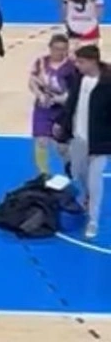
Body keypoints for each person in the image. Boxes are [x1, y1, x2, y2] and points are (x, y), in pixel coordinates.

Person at [56, 44, 111, 239]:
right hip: (79, 138)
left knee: (95, 180)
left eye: (81, 62)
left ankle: (93, 221)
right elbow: (72, 103)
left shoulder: (108, 83)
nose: (77, 65)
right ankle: (87, 196)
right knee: (76, 172)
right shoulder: (79, 78)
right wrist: (62, 126)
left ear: (92, 61)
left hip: (99, 143)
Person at [30, 34, 75, 176]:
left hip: (62, 111)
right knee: (41, 141)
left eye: (63, 49)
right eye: (56, 49)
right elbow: (32, 81)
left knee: (62, 147)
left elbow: (74, 92)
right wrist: (40, 95)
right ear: (50, 48)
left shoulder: (72, 67)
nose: (60, 52)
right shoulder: (41, 63)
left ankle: (70, 165)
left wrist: (60, 99)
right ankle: (44, 174)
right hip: (43, 109)